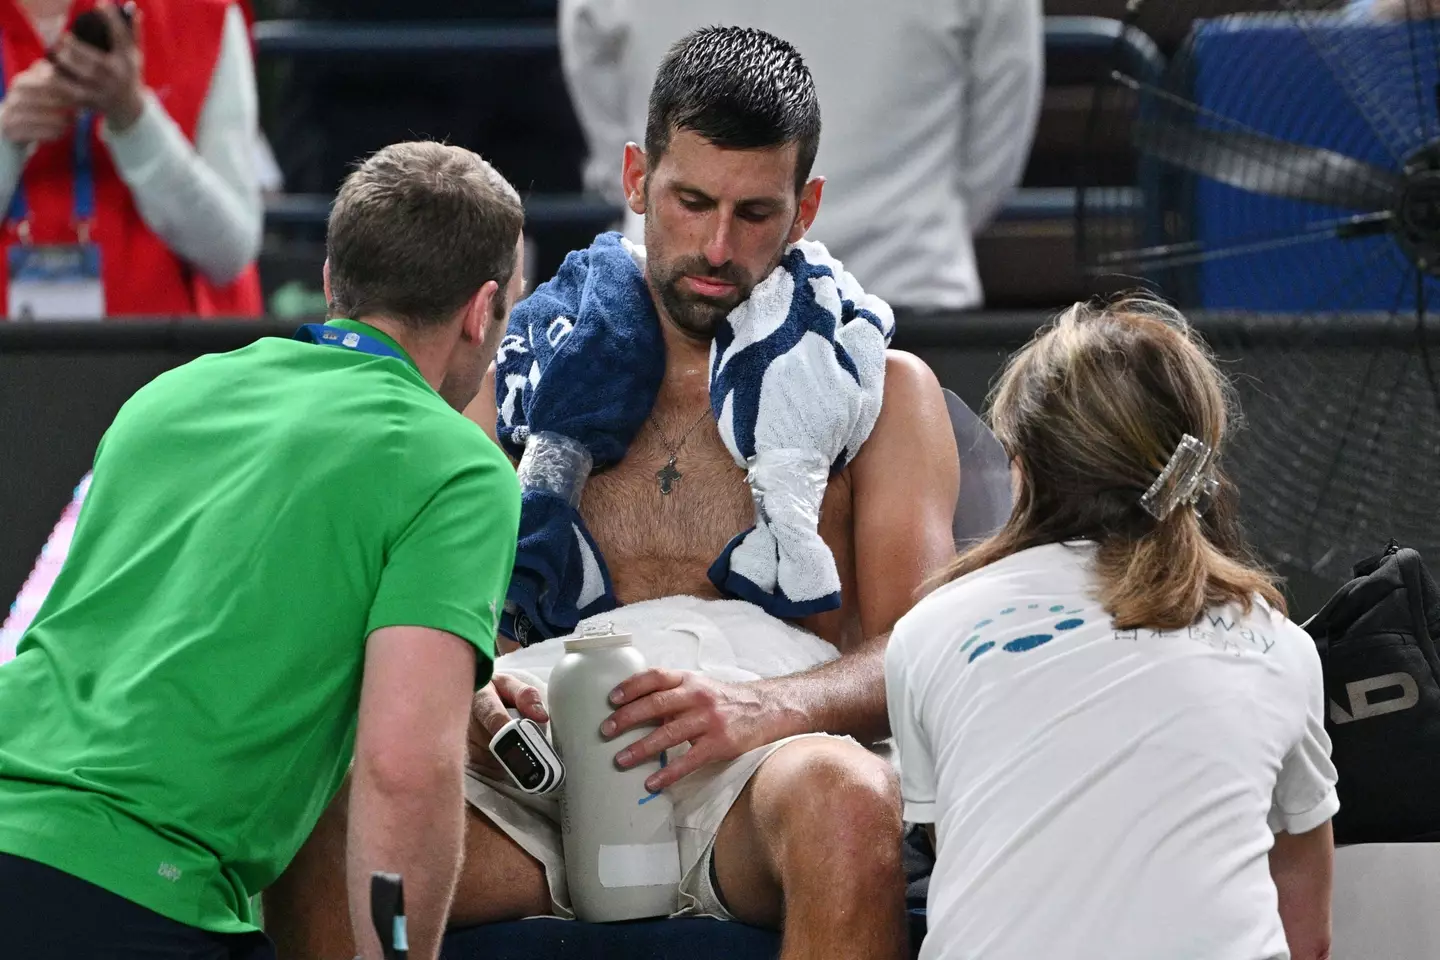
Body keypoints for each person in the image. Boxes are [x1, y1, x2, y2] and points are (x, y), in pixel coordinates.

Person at [267, 26, 960, 960]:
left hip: (757, 770)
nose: (718, 246)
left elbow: (916, 659)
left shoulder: (889, 391)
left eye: (756, 213)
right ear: (637, 179)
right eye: (690, 201)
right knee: (321, 819)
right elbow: (427, 611)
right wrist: (472, 704)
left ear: (806, 210)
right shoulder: (504, 375)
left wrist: (771, 709)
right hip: (540, 773)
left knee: (851, 803)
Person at [0, 140, 527, 960]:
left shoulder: (167, 396)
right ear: (481, 308)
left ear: (330, 283)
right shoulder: (457, 467)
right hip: (137, 903)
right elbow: (403, 775)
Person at [885, 297, 1338, 960]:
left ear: (1020, 464)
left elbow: (970, 861)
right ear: (1193, 465)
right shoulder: (1279, 645)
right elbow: (1311, 931)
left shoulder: (928, 632)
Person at [558, 0, 1043, 317]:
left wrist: (682, 201)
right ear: (638, 177)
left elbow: (604, 113)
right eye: (693, 199)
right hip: (906, 279)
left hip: (905, 294)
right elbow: (1000, 124)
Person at [0, 0, 263, 318]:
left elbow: (229, 253)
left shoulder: (202, 13)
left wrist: (134, 120)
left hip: (165, 355)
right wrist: (6, 141)